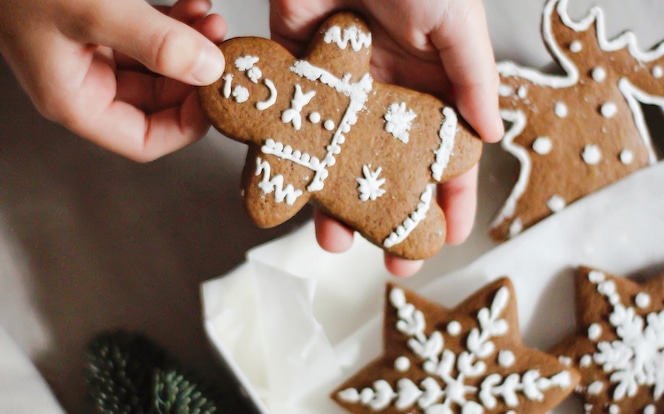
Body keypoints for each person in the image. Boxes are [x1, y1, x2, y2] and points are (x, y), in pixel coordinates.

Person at [0, 0, 503, 277]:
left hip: (404, 121)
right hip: (369, 179)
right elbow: (269, 199)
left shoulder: (332, 62)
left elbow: (349, 34)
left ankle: (426, 181)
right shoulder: (287, 149)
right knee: (415, 224)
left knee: (436, 151)